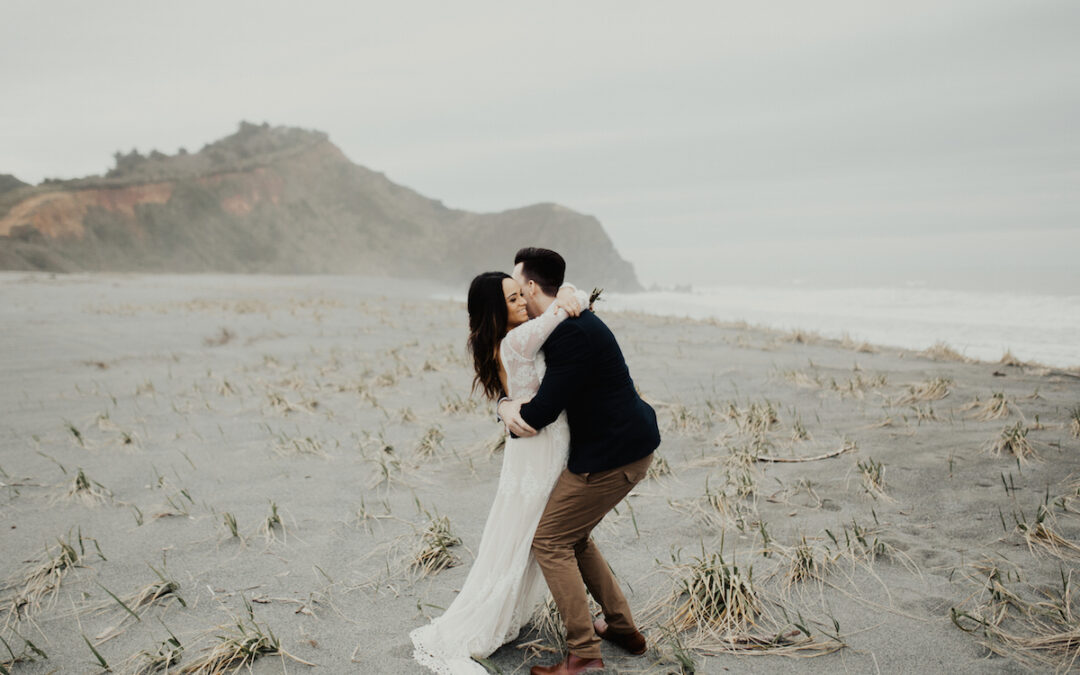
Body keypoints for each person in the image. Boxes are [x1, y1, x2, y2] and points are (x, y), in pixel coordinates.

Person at [409, 269, 588, 674]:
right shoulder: (519, 340)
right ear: (495, 310)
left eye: (521, 294)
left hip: (532, 446)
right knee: (532, 531)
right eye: (512, 299)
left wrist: (504, 405)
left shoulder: (500, 342)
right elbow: (567, 308)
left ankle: (514, 610)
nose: (523, 302)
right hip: (541, 446)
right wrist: (569, 292)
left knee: (523, 528)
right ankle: (503, 616)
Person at [498, 247, 661, 675]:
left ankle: (584, 653)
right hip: (624, 444)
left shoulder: (569, 333)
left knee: (550, 540)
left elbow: (539, 414)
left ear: (531, 286)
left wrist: (505, 409)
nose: (516, 294)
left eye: (518, 286)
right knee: (575, 536)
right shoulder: (568, 319)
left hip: (612, 456)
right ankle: (623, 629)